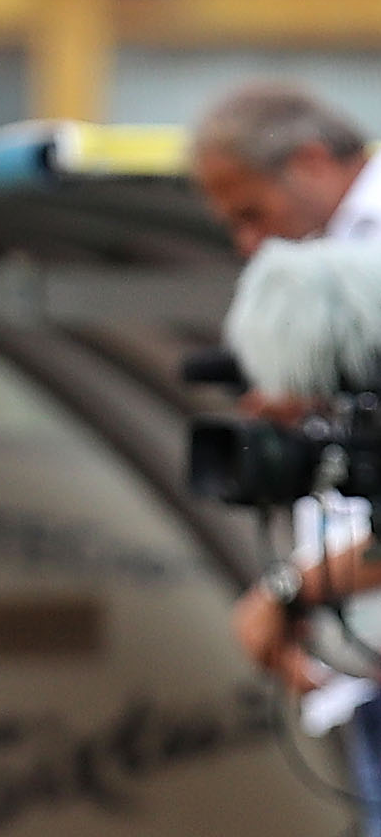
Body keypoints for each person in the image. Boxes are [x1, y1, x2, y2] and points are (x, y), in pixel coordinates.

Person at [192, 81, 381, 833]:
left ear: (308, 162)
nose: (250, 246)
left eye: (250, 214)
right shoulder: (333, 261)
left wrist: (291, 590)